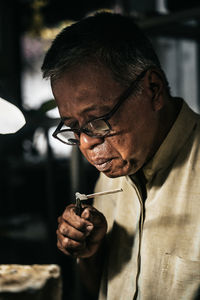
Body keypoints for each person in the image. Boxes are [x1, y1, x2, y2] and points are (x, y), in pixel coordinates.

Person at [41, 12, 200, 300]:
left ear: (153, 89)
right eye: (74, 128)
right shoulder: (112, 172)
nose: (87, 143)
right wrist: (91, 254)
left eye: (99, 119)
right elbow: (103, 289)